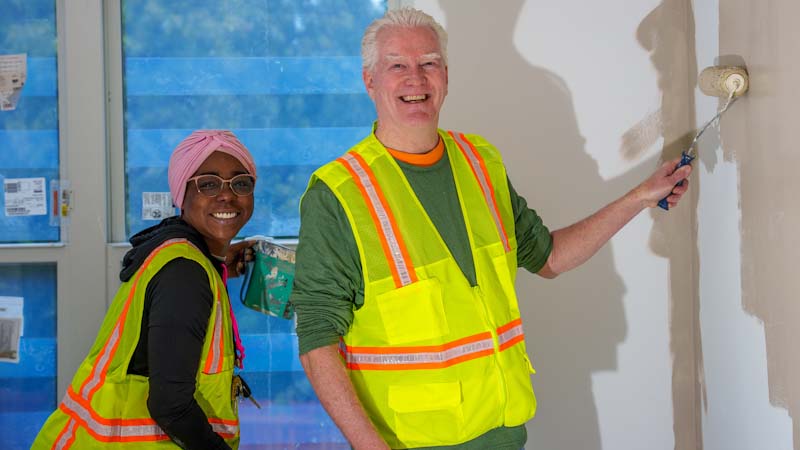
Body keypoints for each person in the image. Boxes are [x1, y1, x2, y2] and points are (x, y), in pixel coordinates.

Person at [290, 7, 692, 450]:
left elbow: (549, 257)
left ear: (445, 74)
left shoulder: (480, 162)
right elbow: (317, 338)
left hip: (504, 435)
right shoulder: (339, 193)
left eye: (428, 63)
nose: (416, 80)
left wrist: (639, 196)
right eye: (397, 66)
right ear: (370, 81)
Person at [32, 130, 257, 450]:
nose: (227, 195)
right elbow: (171, 406)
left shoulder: (176, 253)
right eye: (208, 183)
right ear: (182, 194)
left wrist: (219, 265)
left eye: (241, 183)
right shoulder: (185, 274)